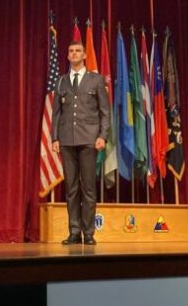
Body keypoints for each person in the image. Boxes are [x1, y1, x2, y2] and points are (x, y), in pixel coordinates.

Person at [51, 40, 110, 246]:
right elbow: (56, 113)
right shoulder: (61, 81)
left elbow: (105, 111)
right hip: (67, 140)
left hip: (89, 139)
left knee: (88, 188)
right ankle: (74, 232)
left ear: (84, 55)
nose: (74, 53)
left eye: (78, 51)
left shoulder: (96, 80)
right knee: (71, 189)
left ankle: (89, 232)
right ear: (68, 56)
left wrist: (103, 135)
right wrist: (55, 138)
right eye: (71, 51)